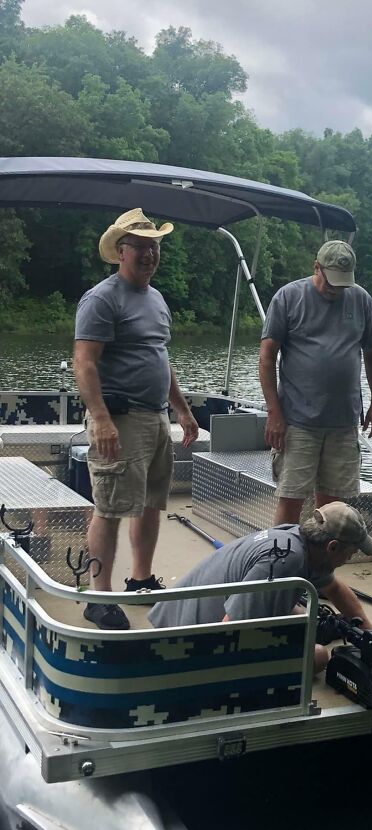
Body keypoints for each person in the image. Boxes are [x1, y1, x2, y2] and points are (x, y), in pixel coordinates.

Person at [74, 208, 199, 631]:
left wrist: (182, 409)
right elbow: (84, 363)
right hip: (120, 419)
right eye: (140, 247)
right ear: (121, 251)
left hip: (156, 417)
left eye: (154, 247)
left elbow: (159, 357)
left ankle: (140, 580)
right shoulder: (102, 298)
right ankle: (99, 596)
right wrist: (101, 419)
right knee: (109, 507)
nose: (149, 255)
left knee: (150, 504)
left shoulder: (157, 298)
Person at [148, 502, 372, 673]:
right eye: (352, 552)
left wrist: (371, 636)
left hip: (176, 617)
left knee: (301, 618)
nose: (350, 558)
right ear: (332, 547)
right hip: (183, 644)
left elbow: (335, 589)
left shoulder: (298, 539)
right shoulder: (285, 562)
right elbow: (229, 628)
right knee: (317, 656)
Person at [259, 240, 372, 525]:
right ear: (317, 267)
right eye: (331, 282)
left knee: (334, 509)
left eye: (343, 284)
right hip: (298, 421)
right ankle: (282, 553)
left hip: (343, 423)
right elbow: (266, 357)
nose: (336, 289)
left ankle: (323, 554)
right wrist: (274, 413)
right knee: (291, 499)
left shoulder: (361, 299)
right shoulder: (288, 297)